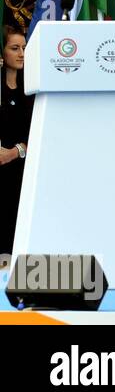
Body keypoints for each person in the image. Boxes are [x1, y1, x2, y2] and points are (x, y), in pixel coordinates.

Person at [0, 26, 32, 259]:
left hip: (23, 173)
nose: (21, 53)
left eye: (24, 48)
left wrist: (15, 152)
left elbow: (39, 133)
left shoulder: (31, 89)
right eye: (15, 48)